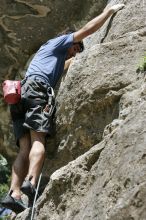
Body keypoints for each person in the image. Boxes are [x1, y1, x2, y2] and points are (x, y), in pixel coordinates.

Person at [1, 3, 125, 213]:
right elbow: (88, 30)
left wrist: (76, 60)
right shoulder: (59, 42)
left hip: (20, 94)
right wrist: (108, 12)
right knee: (38, 139)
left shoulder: (49, 55)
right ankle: (30, 182)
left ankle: (13, 194)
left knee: (24, 148)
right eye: (75, 47)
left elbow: (65, 65)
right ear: (68, 40)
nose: (74, 52)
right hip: (38, 89)